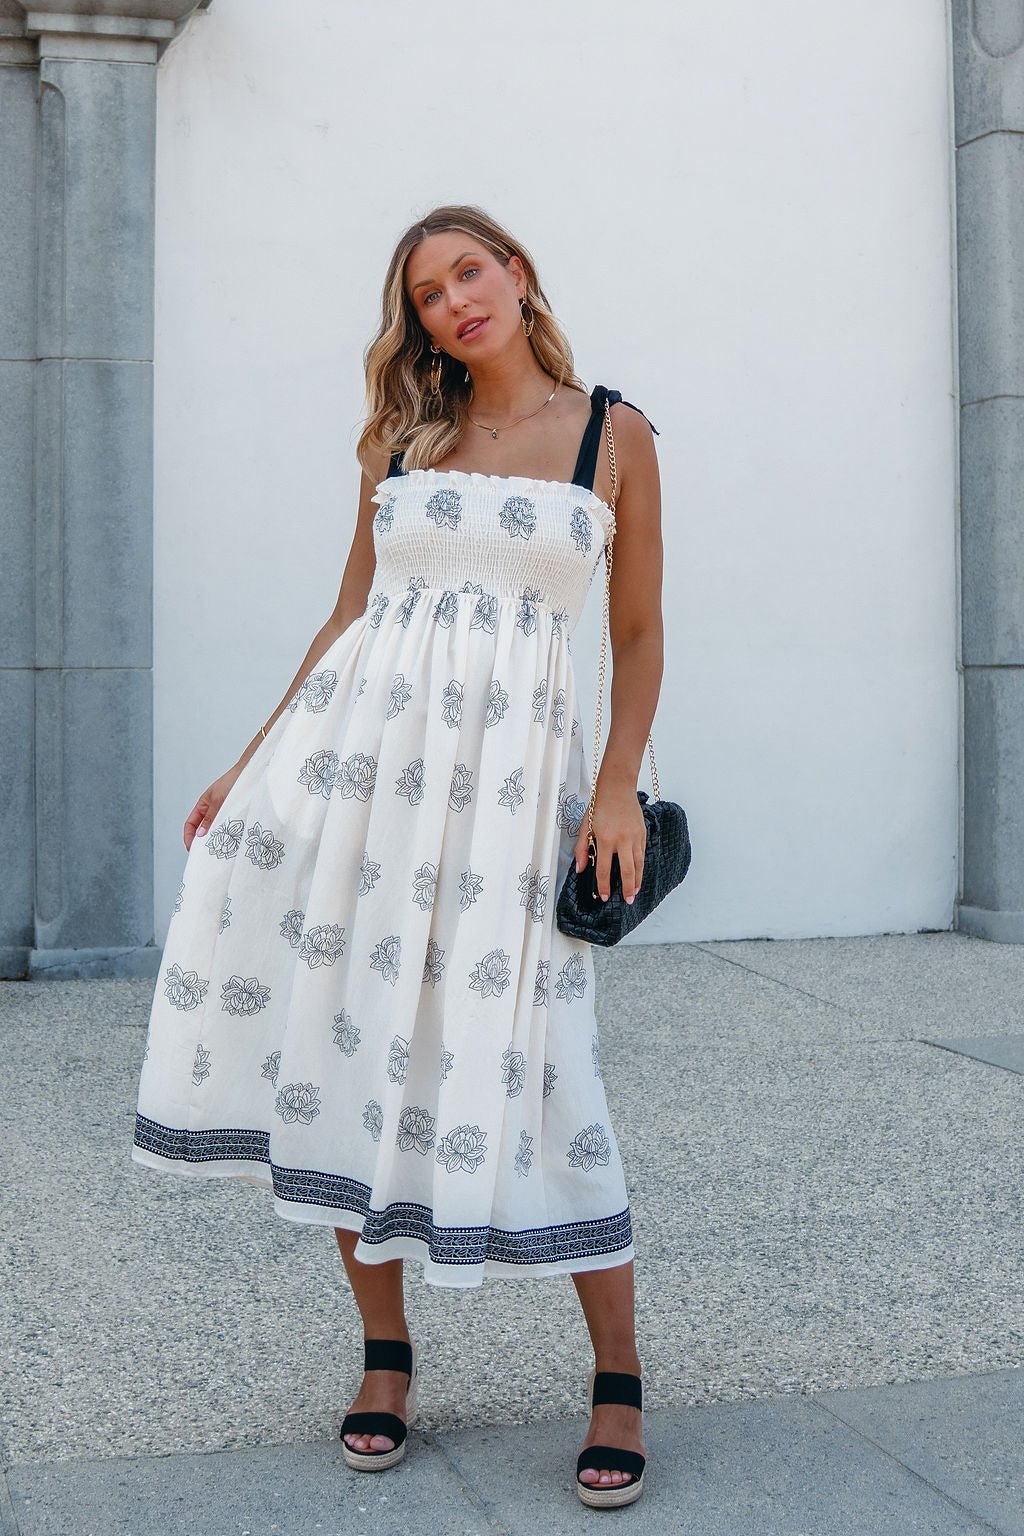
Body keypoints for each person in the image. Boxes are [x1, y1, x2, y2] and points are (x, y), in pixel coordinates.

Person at [131, 203, 664, 1509]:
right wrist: (251, 761)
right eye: (427, 292)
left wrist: (617, 791)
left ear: (517, 273)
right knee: (346, 1044)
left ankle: (619, 1376)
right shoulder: (402, 434)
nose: (453, 302)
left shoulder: (613, 434)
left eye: (468, 272)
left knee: (548, 1060)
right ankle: (384, 1356)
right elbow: (348, 614)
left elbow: (639, 632)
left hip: (514, 799)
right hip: (363, 785)